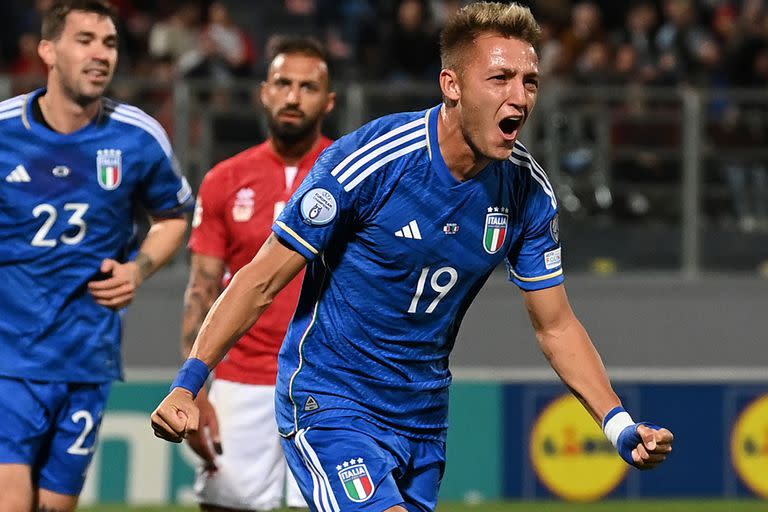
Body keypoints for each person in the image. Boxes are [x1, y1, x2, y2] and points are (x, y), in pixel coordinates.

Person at [152, 3, 675, 512]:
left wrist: (620, 425)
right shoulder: (373, 161)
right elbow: (260, 280)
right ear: (452, 86)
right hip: (332, 404)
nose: (519, 97)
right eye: (499, 79)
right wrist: (188, 385)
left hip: (422, 418)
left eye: (530, 81)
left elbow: (556, 326)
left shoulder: (527, 191)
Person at [0, 1, 193, 511]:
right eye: (84, 39)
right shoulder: (3, 132)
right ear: (48, 50)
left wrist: (139, 268)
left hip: (87, 358)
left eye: (109, 43)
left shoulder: (137, 136)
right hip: (9, 360)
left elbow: (173, 217)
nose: (101, 54)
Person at [182, 35, 335, 511]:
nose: (293, 96)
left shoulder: (351, 170)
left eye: (308, 87)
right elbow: (202, 288)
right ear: (264, 92)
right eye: (283, 83)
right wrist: (194, 390)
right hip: (241, 379)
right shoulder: (225, 179)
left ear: (328, 102)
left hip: (329, 381)